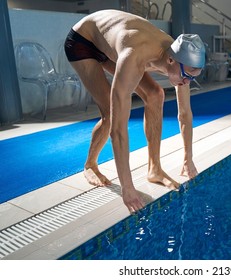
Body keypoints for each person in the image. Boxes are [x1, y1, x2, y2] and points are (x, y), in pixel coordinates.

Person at [64, 9, 206, 213]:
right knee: (111, 115)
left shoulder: (183, 63)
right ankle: (90, 164)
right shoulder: (135, 56)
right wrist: (127, 187)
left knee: (156, 95)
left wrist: (188, 158)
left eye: (193, 78)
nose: (186, 82)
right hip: (84, 41)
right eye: (186, 76)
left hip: (112, 41)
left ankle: (154, 169)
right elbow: (119, 130)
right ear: (171, 60)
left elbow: (185, 114)